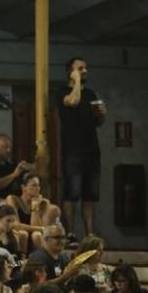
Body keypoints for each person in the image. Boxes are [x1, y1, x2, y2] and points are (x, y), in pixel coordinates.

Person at [58, 57, 105, 238]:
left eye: (85, 68)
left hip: (91, 149)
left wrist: (101, 115)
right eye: (80, 68)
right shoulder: (63, 91)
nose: (85, 71)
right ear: (71, 71)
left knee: (90, 195)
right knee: (72, 192)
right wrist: (76, 81)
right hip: (73, 150)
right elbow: (72, 102)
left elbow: (97, 122)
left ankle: (90, 233)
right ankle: (70, 232)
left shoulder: (90, 94)